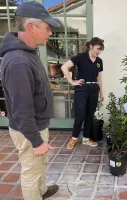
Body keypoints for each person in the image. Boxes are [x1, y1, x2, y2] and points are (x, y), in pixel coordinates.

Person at [0, 2, 60, 200]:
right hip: (29, 129)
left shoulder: (28, 52)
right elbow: (21, 109)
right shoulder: (19, 61)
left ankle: (41, 192)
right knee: (31, 172)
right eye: (47, 28)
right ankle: (36, 193)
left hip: (36, 124)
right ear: (31, 26)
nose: (50, 33)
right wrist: (36, 140)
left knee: (39, 165)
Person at [61, 37, 104, 149]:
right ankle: (74, 138)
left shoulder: (99, 61)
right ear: (91, 46)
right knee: (80, 116)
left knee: (90, 115)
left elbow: (99, 78)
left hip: (94, 89)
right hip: (82, 89)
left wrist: (101, 92)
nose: (99, 52)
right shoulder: (81, 57)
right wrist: (72, 82)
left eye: (101, 50)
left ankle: (85, 138)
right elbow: (64, 67)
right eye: (98, 49)